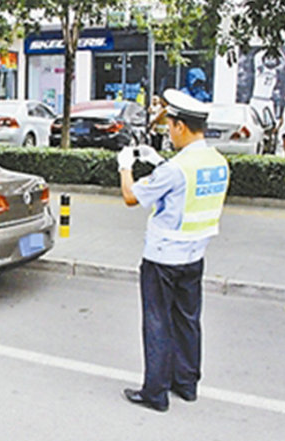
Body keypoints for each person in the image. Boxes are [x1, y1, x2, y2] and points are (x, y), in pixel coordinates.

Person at [117, 89, 229, 412]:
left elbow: (130, 197)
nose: (168, 132)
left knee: (157, 321)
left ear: (180, 126)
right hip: (195, 256)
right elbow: (186, 189)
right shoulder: (217, 162)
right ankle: (187, 383)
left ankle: (155, 393)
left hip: (163, 258)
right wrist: (159, 162)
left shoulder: (175, 169)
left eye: (169, 126)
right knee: (188, 320)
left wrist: (126, 166)